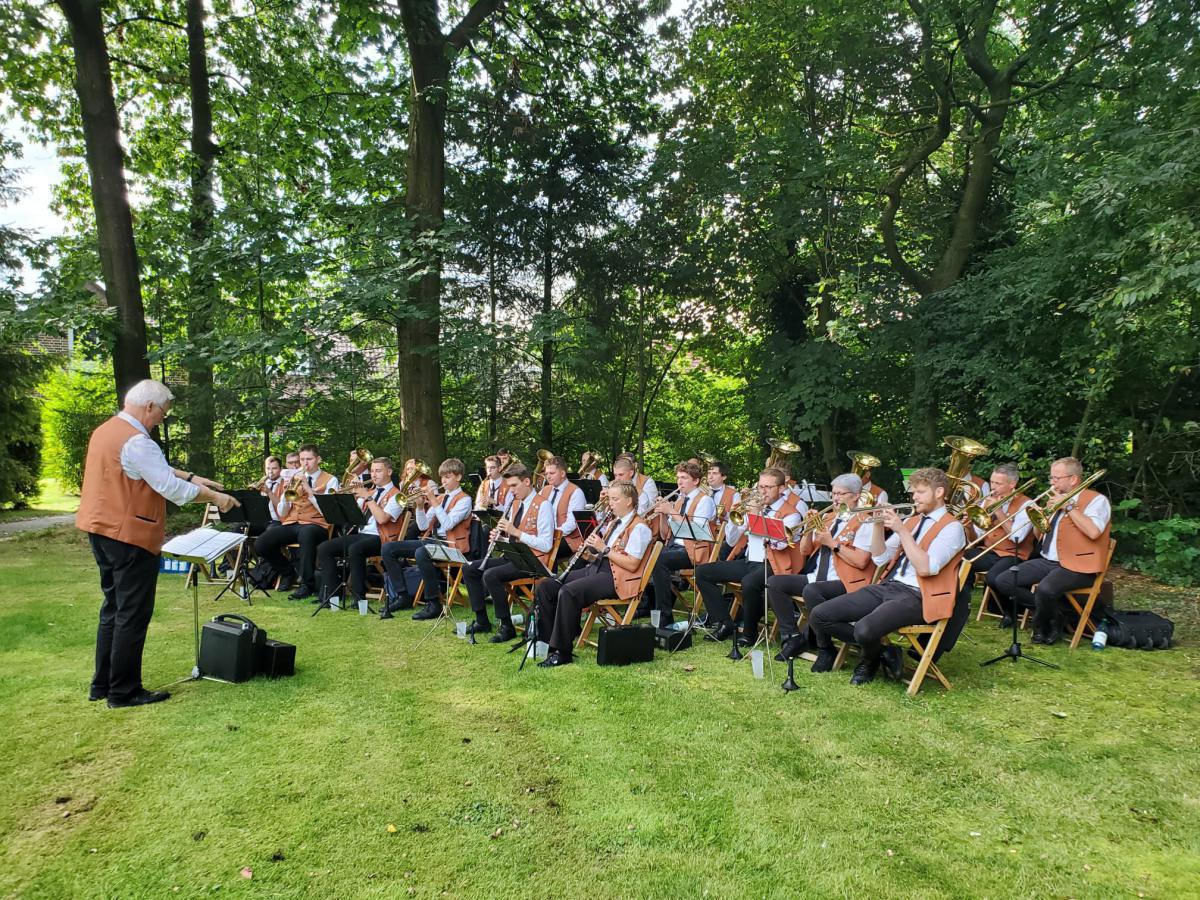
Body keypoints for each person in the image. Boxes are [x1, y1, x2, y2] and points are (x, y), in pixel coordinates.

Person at [76, 379, 238, 708]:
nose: (163, 419)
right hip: (130, 535)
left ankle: (102, 684)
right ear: (149, 406)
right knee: (132, 614)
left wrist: (192, 477)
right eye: (163, 412)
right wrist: (215, 497)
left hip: (101, 530)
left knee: (113, 608)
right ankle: (123, 692)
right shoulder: (137, 440)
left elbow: (149, 468)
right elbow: (169, 488)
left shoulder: (107, 431)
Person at [808, 467, 965, 685]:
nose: (914, 497)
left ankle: (869, 661)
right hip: (889, 586)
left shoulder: (953, 528)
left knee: (864, 629)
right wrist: (878, 525)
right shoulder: (912, 521)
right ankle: (884, 652)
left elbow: (926, 568)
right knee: (819, 615)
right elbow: (880, 558)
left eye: (920, 492)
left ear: (939, 492)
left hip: (919, 595)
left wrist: (902, 531)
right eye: (913, 492)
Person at [532, 481, 653, 668]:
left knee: (569, 592)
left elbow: (632, 564)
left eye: (615, 499)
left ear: (629, 501)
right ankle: (548, 643)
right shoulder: (614, 522)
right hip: (599, 568)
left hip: (617, 579)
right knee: (546, 586)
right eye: (610, 499)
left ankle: (562, 652)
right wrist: (590, 556)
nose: (610, 503)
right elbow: (605, 556)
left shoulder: (640, 528)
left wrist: (603, 548)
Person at [991, 457, 1111, 645]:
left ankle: (1045, 628)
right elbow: (1040, 536)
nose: (1052, 483)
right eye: (1051, 478)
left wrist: (1068, 506)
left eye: (1056, 478)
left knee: (1045, 589)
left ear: (1073, 479)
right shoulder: (1055, 500)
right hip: (1048, 560)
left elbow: (1093, 531)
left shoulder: (1096, 500)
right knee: (1004, 580)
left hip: (1079, 565)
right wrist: (1040, 518)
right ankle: (1056, 613)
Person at [765, 474, 874, 660]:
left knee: (812, 590)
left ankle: (825, 648)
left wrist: (832, 543)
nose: (835, 499)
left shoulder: (865, 521)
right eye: (833, 494)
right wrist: (808, 530)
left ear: (856, 495)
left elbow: (861, 561)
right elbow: (805, 550)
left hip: (846, 581)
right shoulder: (828, 517)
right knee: (775, 583)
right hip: (817, 576)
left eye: (841, 494)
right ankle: (792, 637)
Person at [693, 467, 807, 645]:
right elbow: (732, 540)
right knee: (703, 572)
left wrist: (756, 516)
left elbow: (780, 544)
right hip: (749, 561)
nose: (763, 491)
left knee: (749, 582)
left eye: (768, 487)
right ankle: (724, 622)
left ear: (781, 488)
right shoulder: (755, 508)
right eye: (761, 486)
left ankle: (749, 632)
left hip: (773, 565)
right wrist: (734, 518)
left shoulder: (792, 514)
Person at [462, 463, 555, 642]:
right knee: (469, 568)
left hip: (533, 561)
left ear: (526, 482)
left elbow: (546, 545)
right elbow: (512, 537)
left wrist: (515, 532)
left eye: (514, 485)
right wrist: (500, 538)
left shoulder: (543, 505)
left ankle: (506, 626)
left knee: (491, 575)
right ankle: (482, 621)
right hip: (513, 556)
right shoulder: (516, 504)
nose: (511, 490)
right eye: (509, 486)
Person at [380, 458, 472, 620]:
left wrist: (434, 502)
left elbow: (448, 524)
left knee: (422, 552)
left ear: (458, 477)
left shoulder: (465, 499)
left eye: (448, 477)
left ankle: (434, 603)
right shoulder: (442, 498)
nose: (443, 481)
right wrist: (420, 507)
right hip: (434, 541)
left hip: (453, 546)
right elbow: (423, 526)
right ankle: (402, 596)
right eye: (442, 477)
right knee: (388, 548)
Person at [315, 457, 404, 610]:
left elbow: (382, 519)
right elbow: (354, 516)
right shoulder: (371, 492)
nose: (373, 474)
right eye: (372, 471)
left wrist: (367, 497)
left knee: (355, 549)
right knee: (324, 548)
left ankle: (359, 597)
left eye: (378, 471)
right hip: (363, 534)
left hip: (382, 538)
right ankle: (333, 595)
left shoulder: (397, 495)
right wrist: (349, 498)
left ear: (389, 472)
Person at [254, 444, 339, 599]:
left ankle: (307, 585)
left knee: (306, 534)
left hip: (317, 524)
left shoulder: (331, 480)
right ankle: (288, 571)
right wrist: (286, 494)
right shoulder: (294, 478)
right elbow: (282, 512)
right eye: (302, 460)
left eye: (309, 459)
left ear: (318, 459)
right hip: (293, 522)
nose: (305, 463)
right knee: (261, 544)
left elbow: (328, 513)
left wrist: (309, 490)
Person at [962, 463, 1034, 626]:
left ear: (1012, 484)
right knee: (959, 560)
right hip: (990, 550)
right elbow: (976, 538)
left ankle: (1010, 612)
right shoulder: (986, 502)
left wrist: (999, 512)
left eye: (998, 483)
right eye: (992, 482)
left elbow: (1017, 537)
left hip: (1014, 554)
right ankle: (962, 605)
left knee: (994, 577)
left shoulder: (1027, 505)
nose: (993, 487)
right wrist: (969, 526)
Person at [647, 461, 716, 626]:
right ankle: (646, 607)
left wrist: (671, 511)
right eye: (678, 477)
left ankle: (664, 616)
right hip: (673, 547)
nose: (679, 481)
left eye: (684, 478)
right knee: (647, 554)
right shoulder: (679, 500)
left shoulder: (705, 501)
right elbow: (665, 534)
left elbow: (696, 533)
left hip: (694, 550)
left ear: (696, 481)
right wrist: (662, 514)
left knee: (659, 560)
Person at [540, 455, 587, 565]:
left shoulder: (576, 492)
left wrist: (549, 535)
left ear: (562, 473)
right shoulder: (545, 490)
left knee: (544, 549)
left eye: (552, 473)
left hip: (569, 539)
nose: (548, 476)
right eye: (546, 473)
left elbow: (571, 524)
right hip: (548, 536)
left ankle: (547, 575)